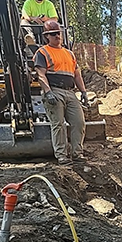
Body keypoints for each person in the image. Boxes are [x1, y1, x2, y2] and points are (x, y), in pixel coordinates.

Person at [33, 20, 88, 165]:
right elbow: (40, 74)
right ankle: (62, 155)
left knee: (79, 122)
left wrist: (83, 92)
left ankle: (77, 153)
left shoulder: (69, 54)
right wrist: (48, 91)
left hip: (70, 92)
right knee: (58, 124)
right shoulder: (42, 52)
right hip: (54, 91)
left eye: (58, 33)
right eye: (53, 34)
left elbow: (77, 75)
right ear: (47, 37)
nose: (57, 36)